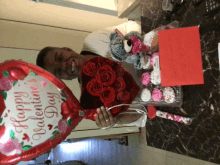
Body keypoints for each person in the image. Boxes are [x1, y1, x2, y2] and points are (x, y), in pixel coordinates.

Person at [36, 21, 147, 129]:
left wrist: (133, 41)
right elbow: (140, 115)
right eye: (59, 71)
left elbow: (129, 26)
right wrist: (115, 120)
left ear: (67, 49)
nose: (64, 65)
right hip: (156, 95)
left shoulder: (94, 40)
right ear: (62, 79)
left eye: (60, 57)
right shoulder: (92, 100)